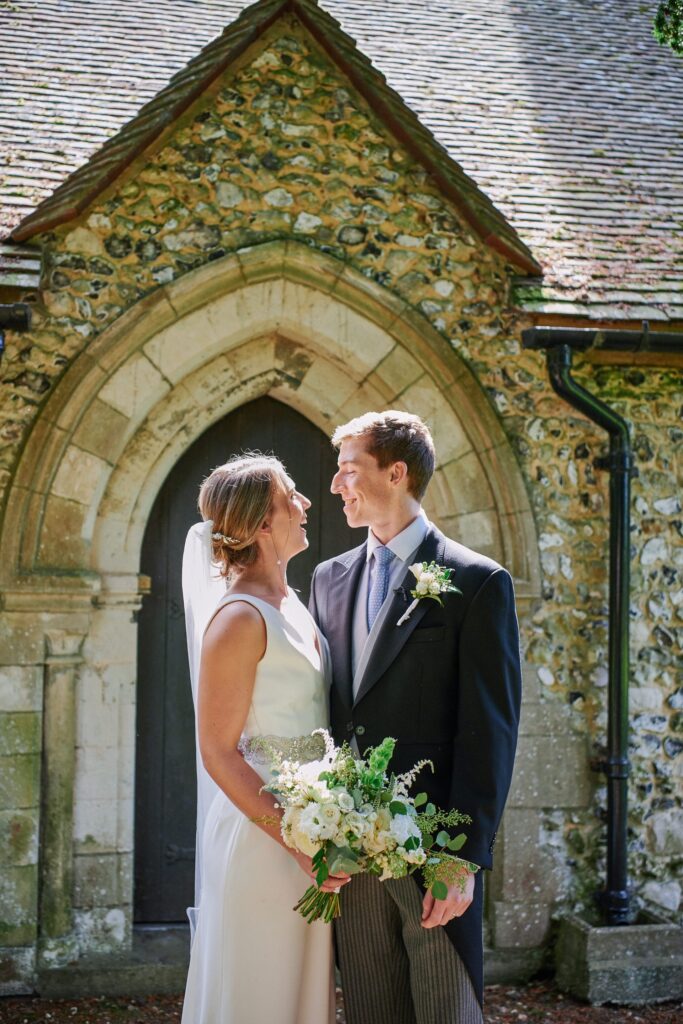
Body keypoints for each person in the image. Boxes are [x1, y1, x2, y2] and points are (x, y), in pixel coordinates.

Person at [309, 411, 522, 1024]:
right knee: (373, 1010)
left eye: (349, 470)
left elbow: (490, 730)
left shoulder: (478, 582)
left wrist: (464, 858)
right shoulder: (328, 580)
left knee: (444, 1012)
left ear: (396, 473)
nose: (335, 486)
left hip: (438, 848)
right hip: (352, 850)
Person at [180, 454, 347, 1024]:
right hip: (266, 838)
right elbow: (218, 750)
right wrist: (297, 841)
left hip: (314, 830)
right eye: (290, 497)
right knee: (262, 993)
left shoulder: (293, 603)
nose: (304, 505)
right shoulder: (238, 619)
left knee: (300, 994)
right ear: (259, 526)